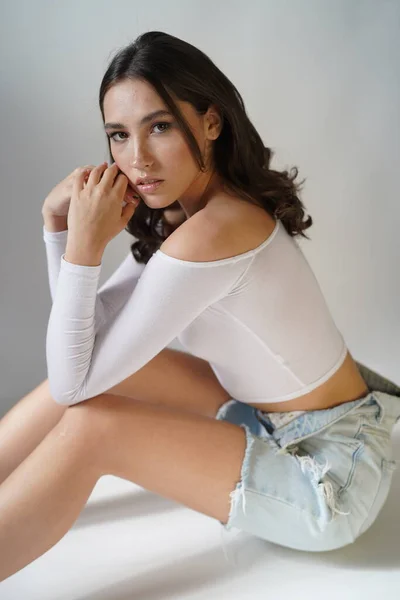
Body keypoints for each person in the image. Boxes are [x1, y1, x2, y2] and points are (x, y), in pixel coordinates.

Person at [1, 31, 399, 580]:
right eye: (119, 135)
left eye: (159, 126)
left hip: (331, 473)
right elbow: (79, 356)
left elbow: (76, 385)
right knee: (103, 377)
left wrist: (77, 245)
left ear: (211, 122)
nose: (136, 158)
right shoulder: (184, 217)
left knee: (93, 427)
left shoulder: (214, 232)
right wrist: (58, 231)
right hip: (267, 419)